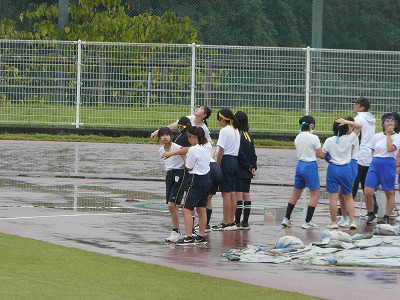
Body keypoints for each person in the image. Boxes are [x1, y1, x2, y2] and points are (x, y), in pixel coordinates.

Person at [281, 115, 324, 229]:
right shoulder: (314, 137)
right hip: (310, 166)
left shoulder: (298, 137)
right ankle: (307, 221)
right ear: (311, 125)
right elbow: (320, 154)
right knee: (315, 194)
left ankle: (286, 218)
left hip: (300, 165)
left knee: (296, 193)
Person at [322, 118, 362, 229]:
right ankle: (352, 221)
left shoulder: (329, 140)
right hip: (346, 168)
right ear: (345, 128)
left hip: (333, 168)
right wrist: (347, 121)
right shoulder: (350, 139)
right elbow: (359, 126)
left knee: (333, 198)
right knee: (349, 197)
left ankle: (334, 222)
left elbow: (322, 154)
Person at [176, 126, 212, 245]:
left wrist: (184, 157)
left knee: (186, 209)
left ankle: (189, 236)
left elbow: (189, 166)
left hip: (195, 180)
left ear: (193, 137)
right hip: (206, 179)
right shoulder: (208, 146)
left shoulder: (193, 150)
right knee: (201, 209)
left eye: (189, 137)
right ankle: (201, 236)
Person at [364, 113, 400, 225]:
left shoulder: (397, 137)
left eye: (392, 121)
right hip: (375, 163)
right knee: (368, 191)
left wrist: (389, 135)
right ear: (383, 123)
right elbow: (373, 150)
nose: (390, 123)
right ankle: (371, 212)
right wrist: (375, 160)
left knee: (389, 192)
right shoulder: (376, 136)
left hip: (388, 163)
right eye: (387, 121)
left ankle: (386, 216)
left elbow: (390, 148)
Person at [212, 108, 240, 231]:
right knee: (232, 192)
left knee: (226, 193)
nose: (218, 122)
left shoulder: (224, 131)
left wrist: (216, 164)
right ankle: (231, 221)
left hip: (227, 161)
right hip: (235, 161)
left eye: (219, 119)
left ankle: (226, 222)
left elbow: (221, 150)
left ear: (223, 119)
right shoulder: (236, 130)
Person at [157, 127, 186, 243]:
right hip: (169, 175)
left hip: (179, 173)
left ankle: (175, 231)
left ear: (171, 136)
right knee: (173, 206)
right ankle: (176, 231)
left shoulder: (176, 147)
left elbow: (184, 153)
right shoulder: (161, 150)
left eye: (167, 135)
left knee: (171, 205)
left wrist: (185, 166)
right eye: (162, 135)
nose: (165, 137)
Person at [351, 97, 377, 214]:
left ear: (362, 108)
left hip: (359, 154)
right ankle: (374, 207)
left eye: (356, 104)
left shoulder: (358, 119)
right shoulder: (371, 119)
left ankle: (347, 208)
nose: (354, 106)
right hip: (369, 154)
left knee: (354, 182)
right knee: (366, 184)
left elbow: (354, 136)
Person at [234, 111, 257, 230]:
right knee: (246, 194)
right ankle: (245, 222)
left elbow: (240, 153)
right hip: (248, 171)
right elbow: (253, 153)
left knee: (239, 195)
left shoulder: (238, 135)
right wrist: (253, 166)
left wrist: (248, 166)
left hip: (240, 169)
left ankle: (237, 221)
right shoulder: (248, 135)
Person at [337, 116, 359, 227]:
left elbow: (347, 151)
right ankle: (344, 216)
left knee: (347, 193)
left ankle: (351, 219)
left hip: (351, 164)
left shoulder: (353, 137)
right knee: (340, 193)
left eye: (348, 126)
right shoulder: (345, 136)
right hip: (345, 164)